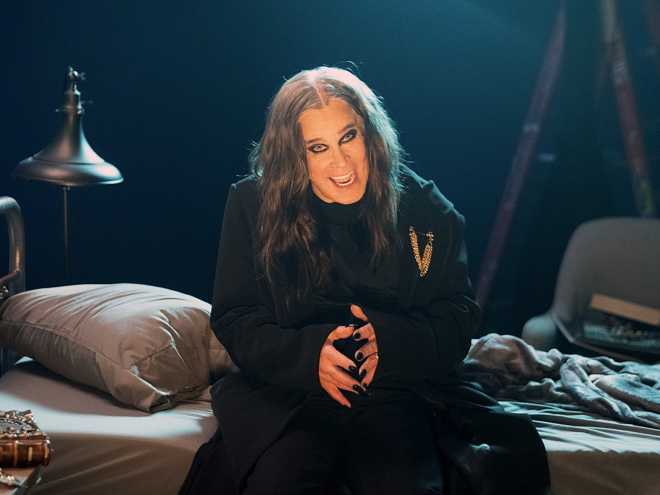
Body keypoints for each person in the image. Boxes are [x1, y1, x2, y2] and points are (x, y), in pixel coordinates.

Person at [180, 67, 549, 495]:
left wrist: (392, 344)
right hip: (289, 394)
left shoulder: (429, 212)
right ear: (294, 156)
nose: (340, 163)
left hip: (398, 391)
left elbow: (458, 317)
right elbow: (236, 316)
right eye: (318, 147)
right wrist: (309, 356)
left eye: (348, 137)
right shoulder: (252, 205)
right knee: (278, 483)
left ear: (370, 135)